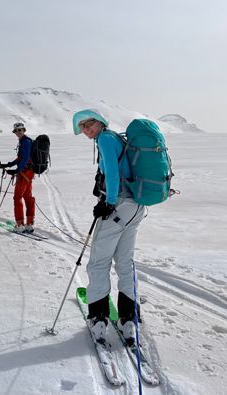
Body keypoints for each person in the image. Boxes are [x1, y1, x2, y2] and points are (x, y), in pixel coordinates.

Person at [73, 109, 145, 345]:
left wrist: (109, 202)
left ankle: (99, 319)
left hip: (119, 206)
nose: (86, 130)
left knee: (99, 262)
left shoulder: (104, 138)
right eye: (82, 127)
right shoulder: (116, 137)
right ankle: (128, 319)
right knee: (125, 262)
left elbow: (112, 173)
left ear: (99, 122)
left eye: (88, 124)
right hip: (136, 207)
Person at [0, 122, 35, 234]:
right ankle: (29, 224)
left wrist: (17, 170)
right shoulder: (24, 141)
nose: (18, 132)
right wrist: (9, 165)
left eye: (20, 130)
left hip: (25, 173)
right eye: (16, 131)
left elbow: (25, 158)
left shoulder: (26, 142)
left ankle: (20, 225)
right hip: (28, 172)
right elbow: (20, 158)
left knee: (17, 197)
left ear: (24, 130)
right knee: (28, 197)